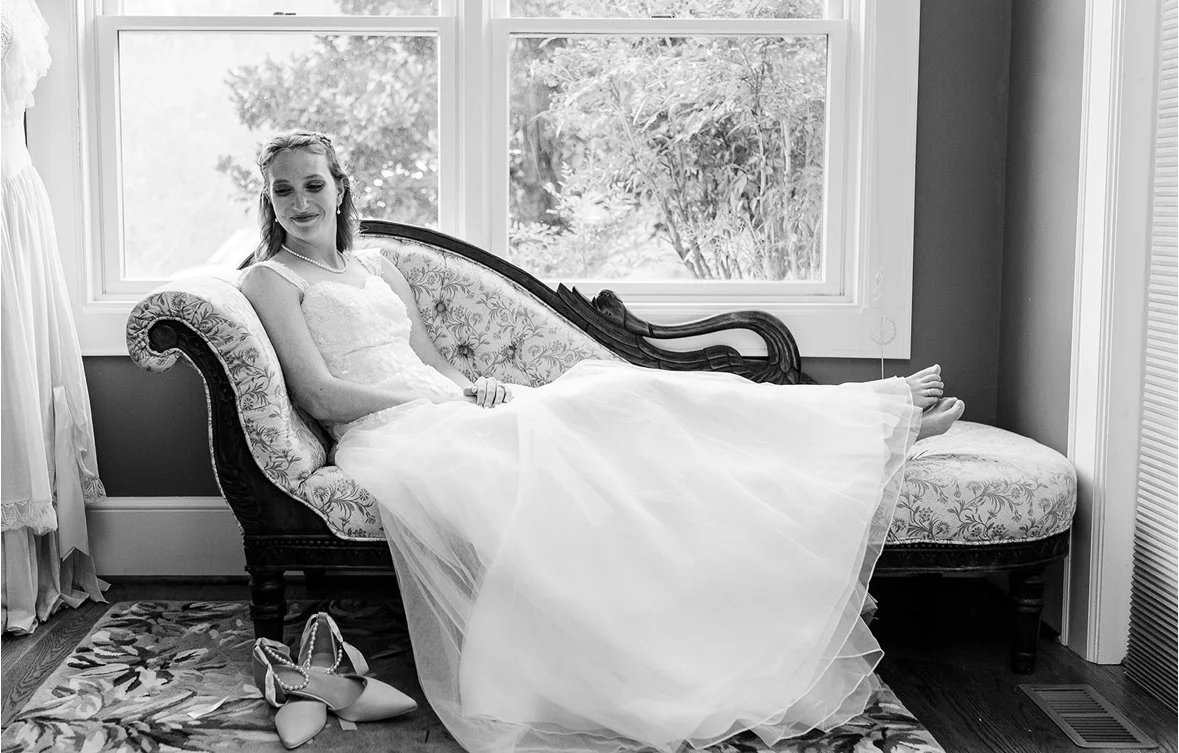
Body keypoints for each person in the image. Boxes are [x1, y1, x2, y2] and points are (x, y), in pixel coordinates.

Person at [240, 129, 965, 753]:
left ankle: (865, 424)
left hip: (446, 404)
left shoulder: (378, 266)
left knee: (624, 399)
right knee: (596, 416)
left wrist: (479, 386)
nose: (300, 203)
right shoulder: (270, 280)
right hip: (387, 432)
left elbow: (431, 359)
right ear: (268, 202)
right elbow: (319, 395)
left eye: (312, 185)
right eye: (282, 192)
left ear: (340, 189)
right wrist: (435, 396)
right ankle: (874, 425)